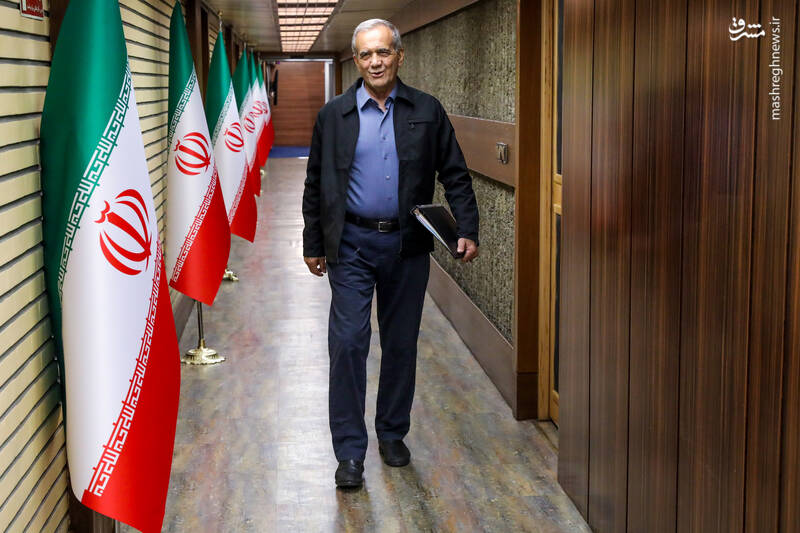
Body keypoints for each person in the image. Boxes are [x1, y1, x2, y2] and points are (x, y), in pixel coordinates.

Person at [302, 18, 479, 489]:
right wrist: (313, 242)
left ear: (399, 55)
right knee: (348, 343)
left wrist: (467, 228)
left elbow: (455, 173)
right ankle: (349, 452)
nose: (375, 62)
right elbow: (316, 182)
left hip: (407, 245)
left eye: (383, 52)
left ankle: (392, 432)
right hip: (351, 245)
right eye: (366, 54)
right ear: (356, 60)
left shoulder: (426, 110)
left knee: (400, 343)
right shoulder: (334, 115)